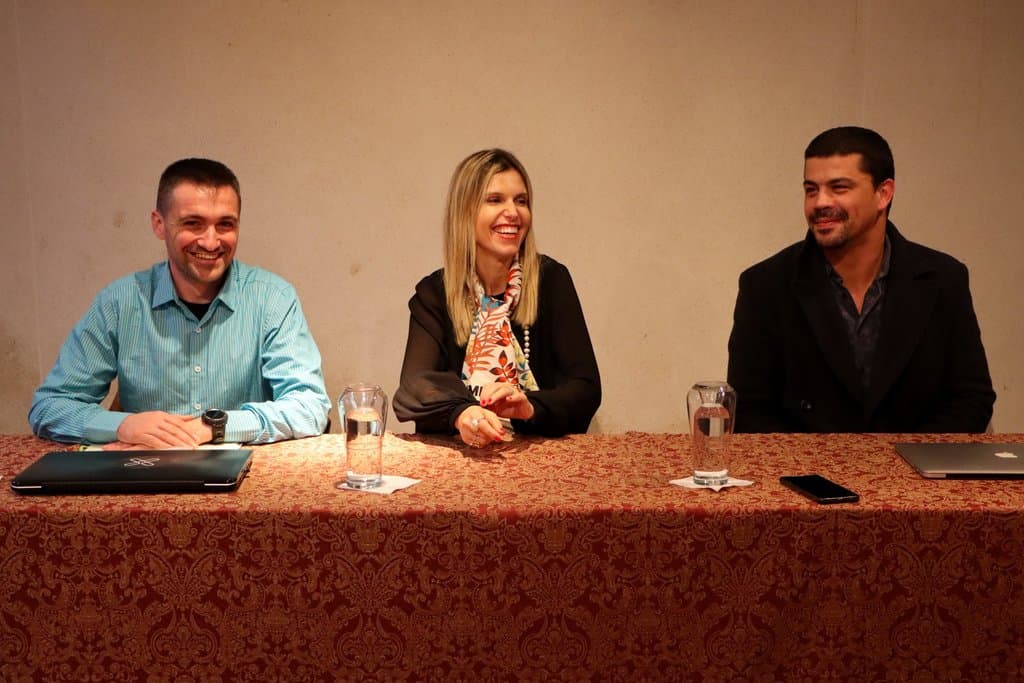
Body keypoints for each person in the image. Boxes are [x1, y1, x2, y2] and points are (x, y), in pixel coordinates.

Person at [29, 158, 331, 447]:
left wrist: (212, 427)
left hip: (244, 486)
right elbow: (49, 407)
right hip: (145, 480)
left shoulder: (273, 299)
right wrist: (123, 426)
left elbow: (310, 406)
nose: (211, 242)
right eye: (193, 224)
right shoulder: (119, 302)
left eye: (225, 225)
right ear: (159, 224)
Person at [727, 126, 995, 433]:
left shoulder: (943, 279)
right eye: (811, 189)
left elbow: (972, 399)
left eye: (838, 188)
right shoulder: (765, 284)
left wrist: (904, 465)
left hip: (918, 474)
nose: (819, 202)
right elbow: (750, 410)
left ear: (884, 193)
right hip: (804, 477)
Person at [394, 148, 601, 446]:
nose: (513, 212)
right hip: (458, 464)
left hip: (540, 463)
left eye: (521, 201)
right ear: (464, 212)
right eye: (494, 200)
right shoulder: (434, 293)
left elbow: (586, 389)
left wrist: (529, 408)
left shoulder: (551, 281)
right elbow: (414, 385)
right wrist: (464, 413)